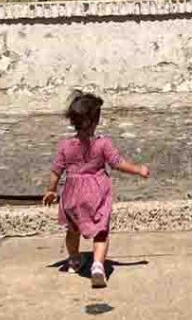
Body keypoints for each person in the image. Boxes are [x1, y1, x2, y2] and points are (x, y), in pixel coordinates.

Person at [42, 91, 151, 287]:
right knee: (101, 231)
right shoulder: (103, 144)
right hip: (96, 194)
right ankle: (98, 266)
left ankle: (74, 260)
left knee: (72, 229)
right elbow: (117, 163)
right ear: (96, 120)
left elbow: (56, 170)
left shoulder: (65, 146)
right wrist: (138, 169)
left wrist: (51, 190)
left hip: (72, 195)